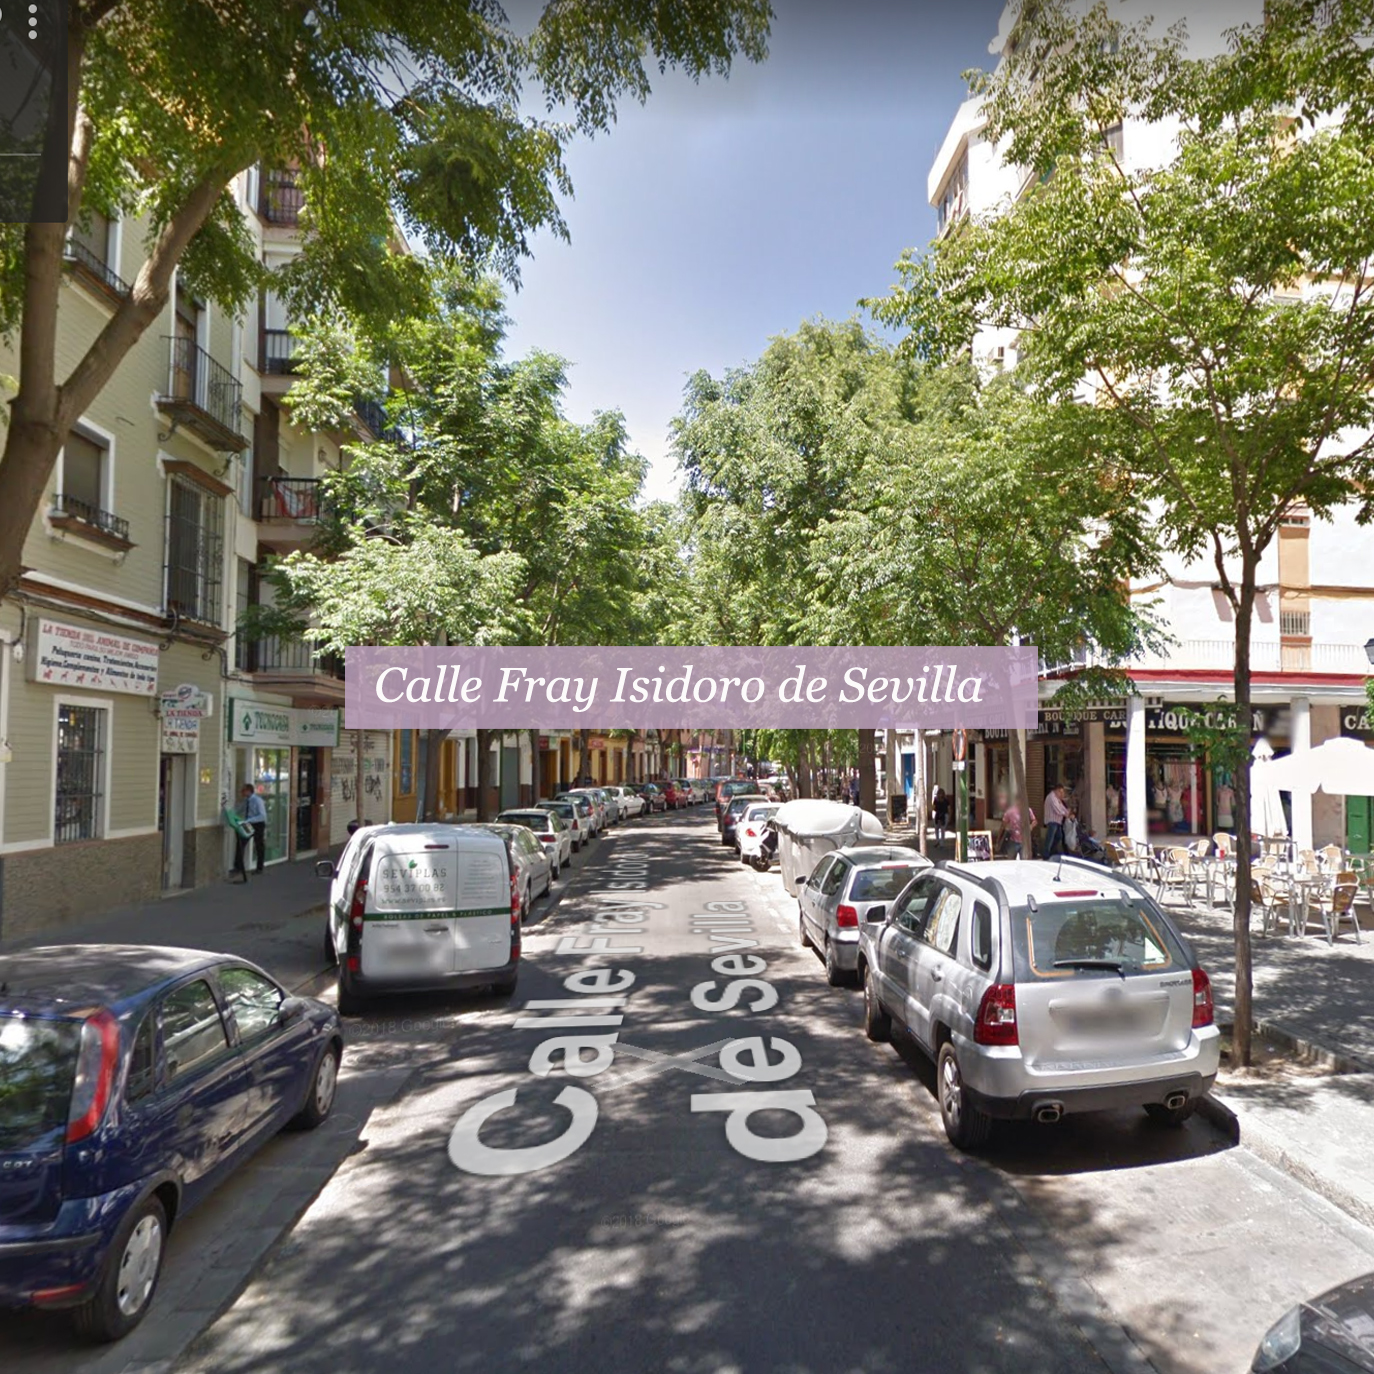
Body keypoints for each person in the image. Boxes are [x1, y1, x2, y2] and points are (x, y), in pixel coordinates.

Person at [233, 783, 268, 880]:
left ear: (249, 791)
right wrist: (231, 814)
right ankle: (238, 867)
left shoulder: (257, 800)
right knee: (241, 842)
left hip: (258, 824)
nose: (241, 793)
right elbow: (239, 810)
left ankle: (259, 868)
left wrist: (249, 820)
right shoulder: (246, 801)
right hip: (249, 823)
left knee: (259, 845)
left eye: (243, 791)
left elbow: (262, 816)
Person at [1042, 783, 1070, 860]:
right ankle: (1046, 854)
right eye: (1060, 792)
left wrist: (1067, 812)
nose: (1061, 794)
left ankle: (1052, 851)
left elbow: (1061, 807)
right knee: (1050, 838)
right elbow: (1057, 809)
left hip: (1057, 821)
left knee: (1058, 836)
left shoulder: (1057, 799)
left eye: (1062, 792)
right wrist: (1066, 814)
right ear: (1056, 790)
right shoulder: (1052, 797)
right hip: (1052, 821)